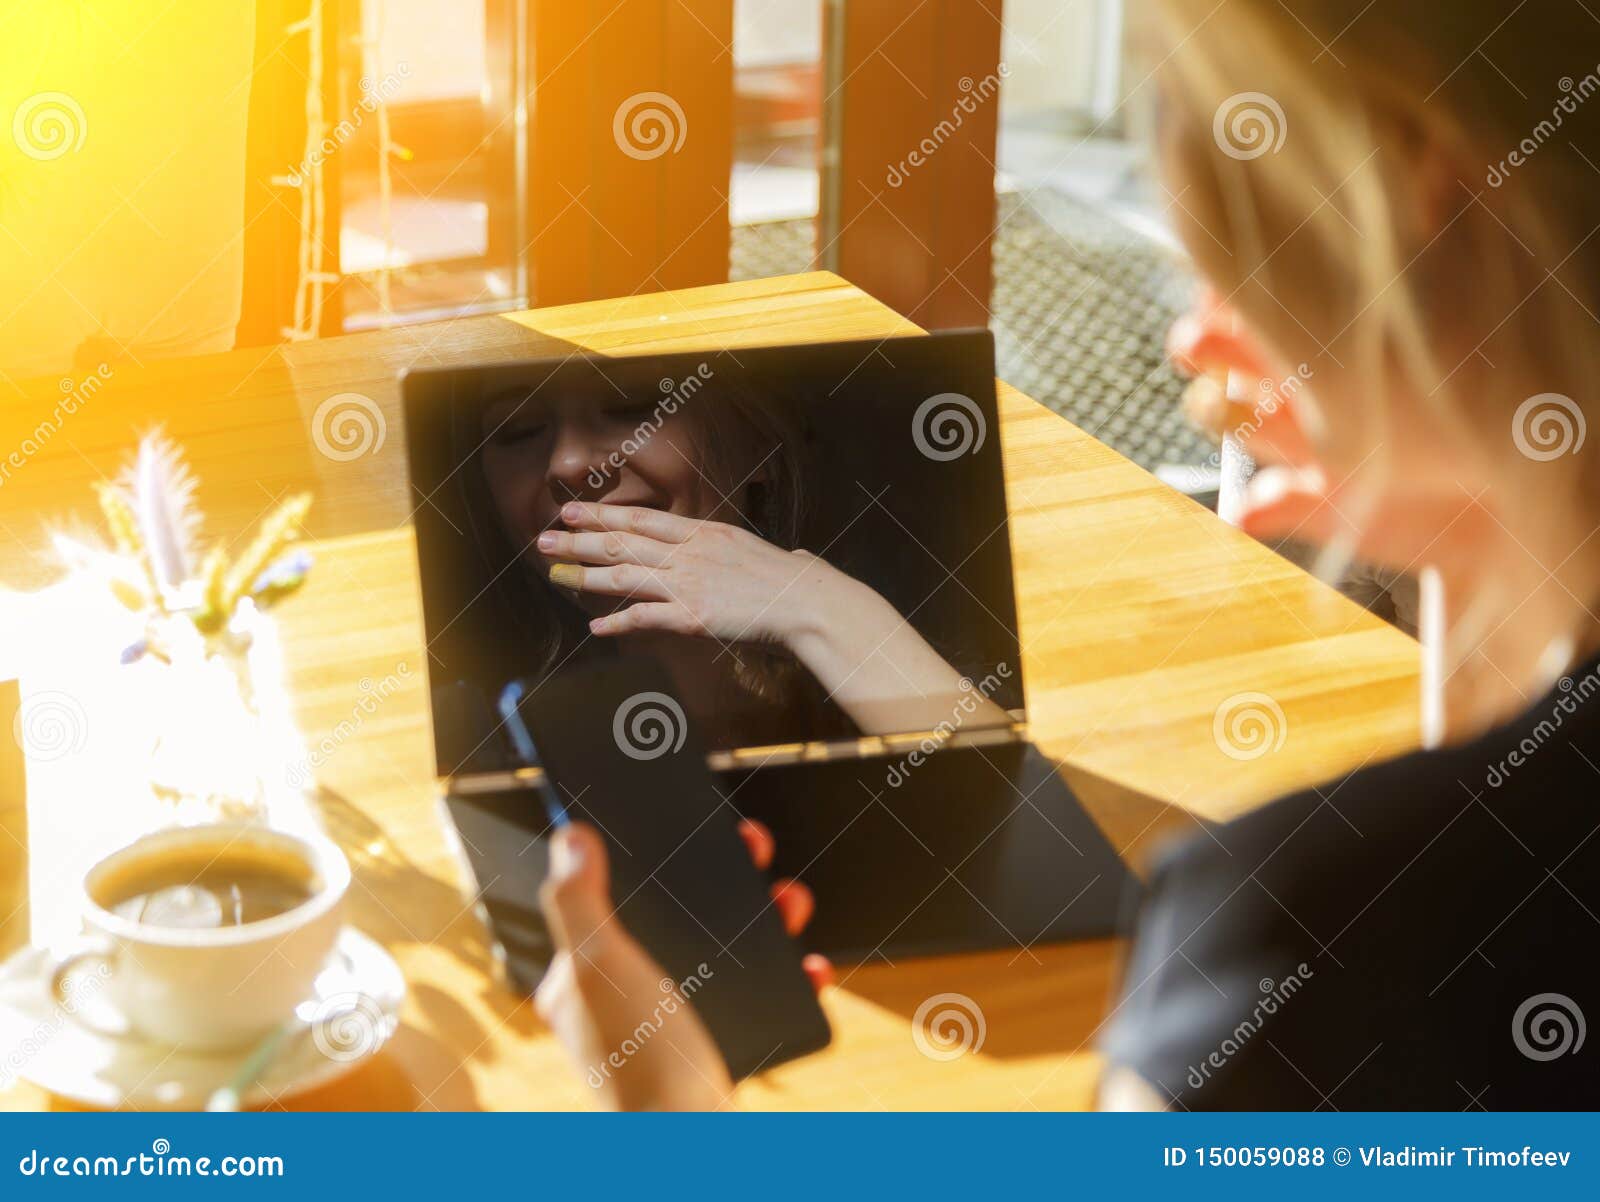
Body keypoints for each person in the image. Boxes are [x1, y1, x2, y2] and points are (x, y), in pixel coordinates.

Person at [534, 0, 1600, 1109]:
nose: (1193, 338)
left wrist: (669, 1113)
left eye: (1227, 245)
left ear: (1411, 210)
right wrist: (1491, 542)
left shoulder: (1285, 938)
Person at [449, 373, 1008, 752]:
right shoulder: (480, 741)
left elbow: (1022, 827)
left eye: (633, 404)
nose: (569, 462)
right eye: (518, 430)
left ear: (757, 443)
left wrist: (821, 607)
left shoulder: (889, 686)